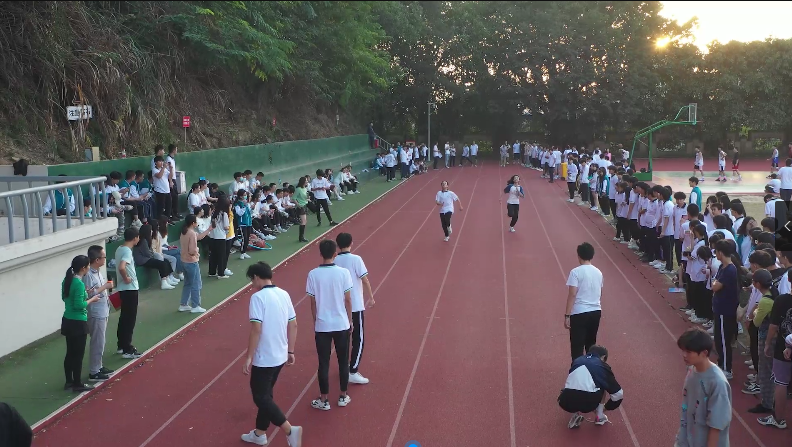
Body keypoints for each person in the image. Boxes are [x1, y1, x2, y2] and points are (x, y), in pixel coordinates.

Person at [241, 262, 302, 446]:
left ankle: (290, 430)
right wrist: (291, 350)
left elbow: (256, 329)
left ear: (256, 277)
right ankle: (259, 433)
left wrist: (249, 356)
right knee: (266, 395)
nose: (252, 284)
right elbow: (293, 324)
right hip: (281, 355)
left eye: (251, 280)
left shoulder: (257, 298)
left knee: (260, 397)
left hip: (265, 357)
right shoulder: (284, 294)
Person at [306, 240, 353, 411]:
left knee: (323, 363)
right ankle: (343, 396)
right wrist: (350, 321)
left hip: (322, 326)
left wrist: (316, 321)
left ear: (320, 254)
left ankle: (324, 399)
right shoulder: (344, 273)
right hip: (341, 324)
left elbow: (312, 302)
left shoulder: (313, 274)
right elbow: (348, 299)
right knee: (343, 362)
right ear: (335, 254)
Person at [675, 327, 732, 446]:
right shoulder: (691, 369)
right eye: (683, 350)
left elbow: (716, 425)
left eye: (688, 352)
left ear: (704, 353)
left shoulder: (717, 383)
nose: (684, 355)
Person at [334, 233, 375, 385]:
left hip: (340, 306)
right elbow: (364, 279)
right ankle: (353, 370)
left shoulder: (335, 260)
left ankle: (344, 368)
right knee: (359, 338)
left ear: (337, 245)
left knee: (344, 338)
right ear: (351, 243)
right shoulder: (356, 259)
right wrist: (371, 297)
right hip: (355, 305)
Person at [558, 345, 624, 429]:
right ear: (603, 357)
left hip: (565, 402)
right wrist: (607, 407)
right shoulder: (602, 365)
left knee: (574, 384)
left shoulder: (577, 360)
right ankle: (599, 416)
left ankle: (575, 414)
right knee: (602, 385)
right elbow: (618, 394)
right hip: (589, 403)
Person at [62, 255, 102, 392]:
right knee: (78, 355)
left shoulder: (67, 280)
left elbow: (65, 297)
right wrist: (92, 299)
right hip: (78, 322)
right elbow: (79, 305)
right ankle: (77, 383)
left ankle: (69, 382)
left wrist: (85, 293)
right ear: (83, 268)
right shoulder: (78, 284)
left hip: (67, 320)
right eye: (88, 266)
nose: (89, 268)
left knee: (70, 353)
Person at [564, 242, 604, 361]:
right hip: (596, 311)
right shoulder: (599, 272)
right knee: (591, 344)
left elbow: (572, 294)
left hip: (579, 312)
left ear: (579, 255)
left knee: (577, 346)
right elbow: (600, 293)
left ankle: (577, 370)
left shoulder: (575, 272)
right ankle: (592, 368)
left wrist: (567, 315)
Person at [84, 246, 115, 382]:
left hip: (103, 309)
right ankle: (94, 371)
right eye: (103, 257)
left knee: (101, 341)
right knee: (97, 341)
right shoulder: (88, 275)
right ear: (97, 259)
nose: (105, 259)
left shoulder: (97, 272)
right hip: (96, 312)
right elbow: (89, 294)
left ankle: (99, 366)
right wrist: (105, 287)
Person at [711, 239, 740, 379]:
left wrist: (714, 284)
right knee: (718, 339)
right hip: (720, 308)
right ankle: (721, 363)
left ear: (720, 253)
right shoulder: (723, 267)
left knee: (723, 340)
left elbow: (715, 286)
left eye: (716, 251)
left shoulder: (729, 269)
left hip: (725, 310)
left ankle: (727, 368)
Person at [115, 227, 142, 359]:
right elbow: (122, 267)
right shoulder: (127, 251)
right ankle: (127, 349)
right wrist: (126, 278)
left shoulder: (119, 249)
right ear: (135, 238)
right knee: (130, 319)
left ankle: (121, 345)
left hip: (123, 289)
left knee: (124, 317)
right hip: (130, 288)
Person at [179, 214, 214, 313]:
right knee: (196, 284)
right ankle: (195, 305)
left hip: (184, 260)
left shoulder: (185, 232)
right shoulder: (191, 233)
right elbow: (192, 250)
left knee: (188, 283)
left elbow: (198, 237)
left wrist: (208, 230)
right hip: (191, 261)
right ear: (193, 223)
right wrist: (196, 251)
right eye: (196, 222)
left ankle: (183, 304)